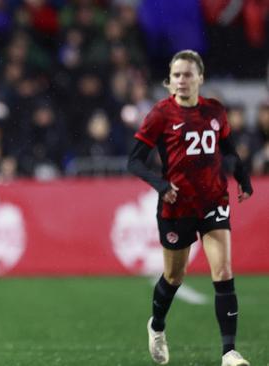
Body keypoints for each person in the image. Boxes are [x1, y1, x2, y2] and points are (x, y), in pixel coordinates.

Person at [127, 50, 253, 366]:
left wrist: (242, 178)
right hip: (176, 207)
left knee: (223, 272)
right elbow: (134, 161)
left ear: (200, 78)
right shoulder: (160, 115)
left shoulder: (215, 111)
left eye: (187, 74)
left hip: (213, 202)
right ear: (169, 81)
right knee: (174, 276)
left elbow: (228, 152)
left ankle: (229, 352)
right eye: (176, 75)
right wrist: (160, 185)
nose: (181, 80)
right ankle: (156, 326)